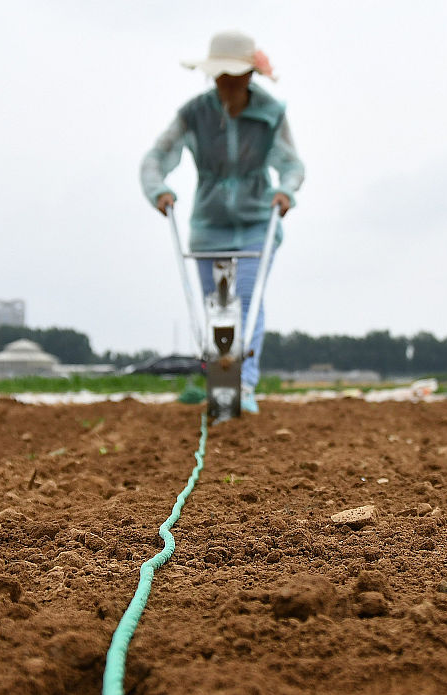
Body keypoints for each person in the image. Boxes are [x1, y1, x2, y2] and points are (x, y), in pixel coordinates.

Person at [141, 30, 305, 413]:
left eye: (233, 78)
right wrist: (158, 190)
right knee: (219, 304)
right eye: (219, 78)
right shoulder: (194, 112)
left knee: (245, 300)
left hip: (255, 221)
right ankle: (223, 388)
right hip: (209, 224)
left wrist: (286, 192)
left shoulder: (271, 113)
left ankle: (244, 386)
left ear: (249, 76)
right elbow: (156, 157)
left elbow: (292, 164)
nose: (225, 87)